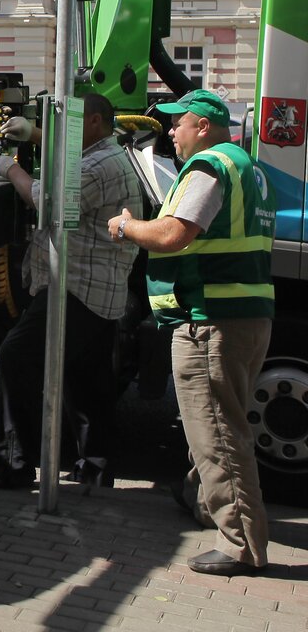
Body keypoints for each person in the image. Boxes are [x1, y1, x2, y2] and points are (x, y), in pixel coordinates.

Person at [108, 89, 274, 577]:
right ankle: (206, 503)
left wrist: (127, 225)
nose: (172, 134)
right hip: (246, 315)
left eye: (178, 124)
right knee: (224, 425)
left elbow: (173, 234)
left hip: (211, 320)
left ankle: (241, 543)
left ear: (202, 125)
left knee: (219, 434)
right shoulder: (251, 168)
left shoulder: (208, 168)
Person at [0, 92, 142, 491]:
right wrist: (32, 135)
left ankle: (12, 463)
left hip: (74, 288)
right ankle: (94, 468)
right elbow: (69, 155)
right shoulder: (109, 155)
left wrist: (10, 169)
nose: (63, 132)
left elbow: (48, 201)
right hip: (101, 292)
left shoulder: (98, 165)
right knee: (87, 381)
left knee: (15, 357)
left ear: (93, 122)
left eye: (70, 123)